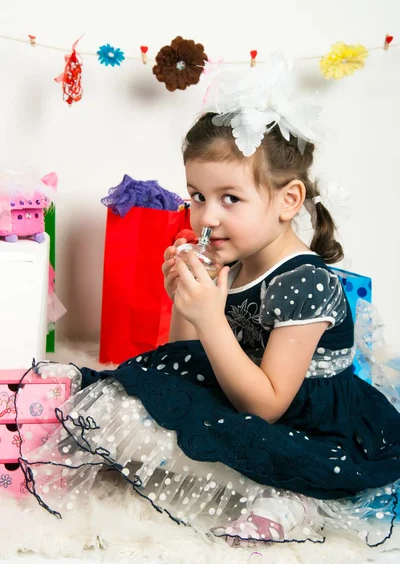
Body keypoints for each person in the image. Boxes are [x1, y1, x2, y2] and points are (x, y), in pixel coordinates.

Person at [20, 56, 399, 548]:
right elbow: (189, 358)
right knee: (134, 396)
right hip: (235, 386)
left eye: (230, 199)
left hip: (303, 421)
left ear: (288, 201)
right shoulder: (237, 255)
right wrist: (185, 300)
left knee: (234, 443)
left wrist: (210, 317)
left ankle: (296, 498)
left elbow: (266, 405)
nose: (206, 218)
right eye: (197, 196)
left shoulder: (305, 281)